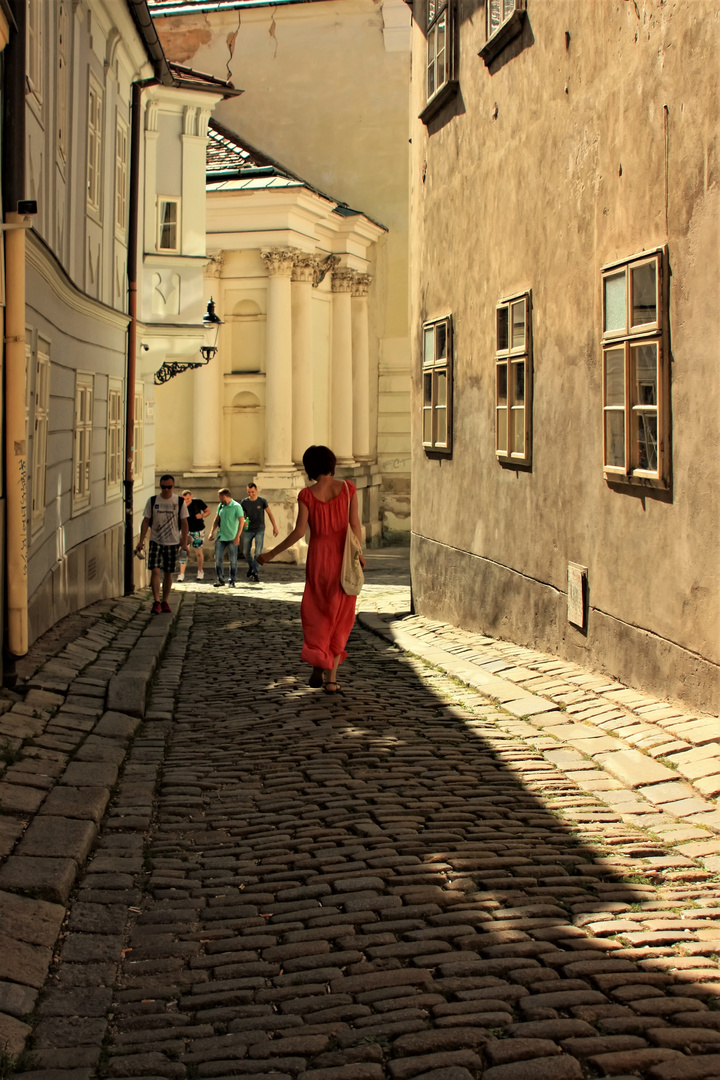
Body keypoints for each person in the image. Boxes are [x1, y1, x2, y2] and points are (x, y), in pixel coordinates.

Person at [259, 445, 364, 694]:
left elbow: (298, 532)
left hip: (319, 560)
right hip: (343, 558)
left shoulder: (307, 495)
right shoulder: (348, 489)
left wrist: (271, 553)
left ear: (310, 467)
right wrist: (359, 555)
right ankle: (331, 678)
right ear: (331, 463)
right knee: (341, 616)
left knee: (318, 613)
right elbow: (355, 524)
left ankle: (319, 660)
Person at [135, 475, 189, 614]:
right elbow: (146, 521)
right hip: (155, 541)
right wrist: (141, 541)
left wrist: (184, 543)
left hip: (172, 541)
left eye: (169, 487)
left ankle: (165, 600)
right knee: (155, 570)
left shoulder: (179, 501)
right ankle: (156, 601)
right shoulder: (153, 501)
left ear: (173, 486)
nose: (166, 490)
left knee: (168, 572)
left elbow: (184, 523)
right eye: (163, 487)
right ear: (160, 486)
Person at [240, 482, 279, 583]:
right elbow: (241, 515)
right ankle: (251, 567)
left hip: (259, 529)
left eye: (252, 492)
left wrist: (275, 527)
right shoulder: (244, 502)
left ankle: (255, 573)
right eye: (249, 492)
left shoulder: (262, 501)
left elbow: (269, 513)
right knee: (245, 552)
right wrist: (243, 521)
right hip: (248, 529)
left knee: (257, 552)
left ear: (256, 490)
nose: (251, 494)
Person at [207, 488, 244, 588]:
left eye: (219, 497)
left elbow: (241, 522)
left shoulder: (237, 506)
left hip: (232, 536)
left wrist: (238, 536)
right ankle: (220, 579)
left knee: (233, 560)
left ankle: (232, 580)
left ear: (223, 496)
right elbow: (216, 519)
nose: (218, 499)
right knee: (217, 558)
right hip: (221, 536)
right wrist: (211, 532)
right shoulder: (221, 506)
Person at [177, 489, 210, 582]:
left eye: (188, 498)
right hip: (186, 531)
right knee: (183, 551)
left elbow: (208, 511)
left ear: (191, 496)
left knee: (198, 551)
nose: (186, 501)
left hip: (198, 530)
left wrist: (202, 515)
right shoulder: (180, 506)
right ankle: (181, 574)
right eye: (184, 499)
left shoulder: (197, 502)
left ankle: (200, 571)